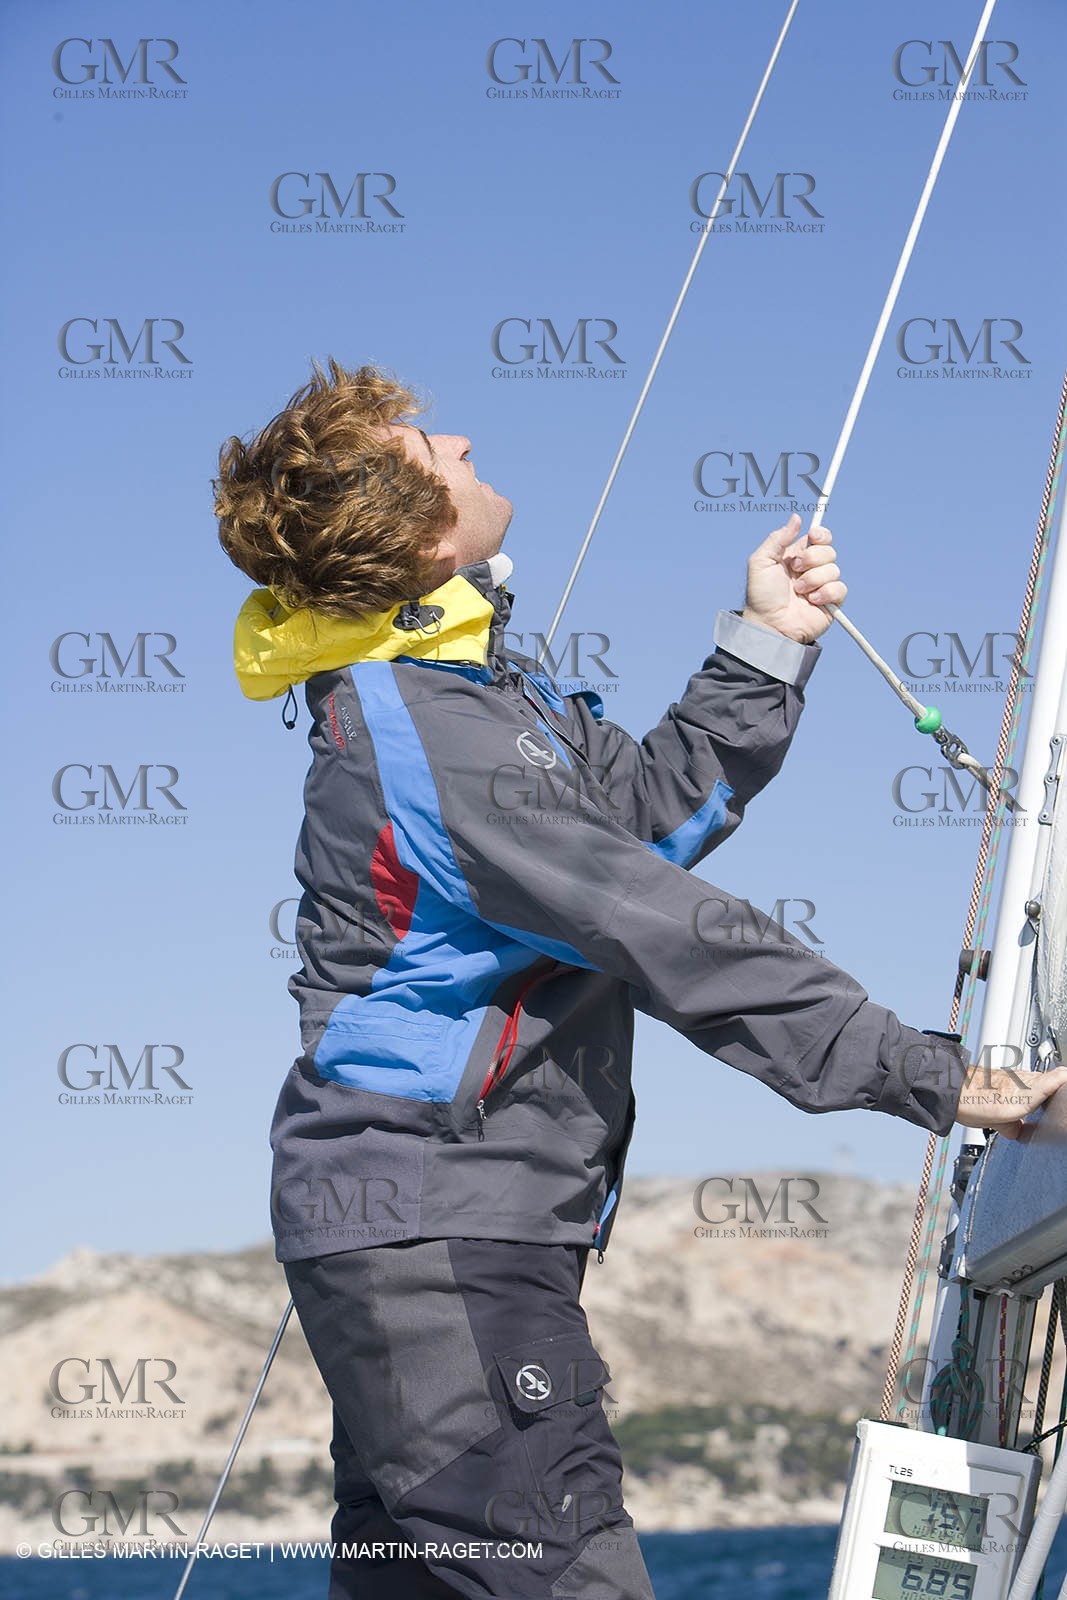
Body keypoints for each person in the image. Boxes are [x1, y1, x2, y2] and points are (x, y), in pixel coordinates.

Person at [215, 357, 1065, 1600]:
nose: (453, 438)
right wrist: (938, 1075)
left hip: (427, 1231)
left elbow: (645, 824)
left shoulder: (463, 694)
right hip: (443, 1232)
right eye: (423, 449)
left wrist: (767, 641)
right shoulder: (428, 727)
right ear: (416, 532)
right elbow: (659, 923)